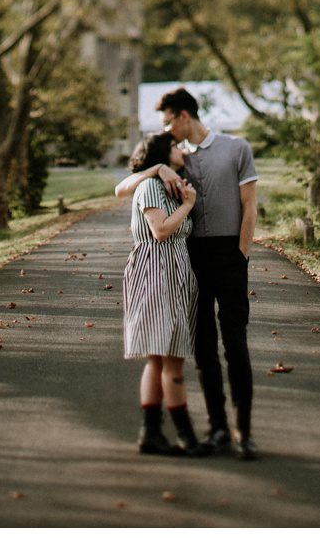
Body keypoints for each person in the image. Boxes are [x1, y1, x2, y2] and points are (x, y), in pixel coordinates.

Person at [114, 87, 260, 461]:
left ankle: (243, 431)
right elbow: (123, 188)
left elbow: (250, 206)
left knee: (236, 344)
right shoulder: (176, 160)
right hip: (192, 260)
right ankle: (217, 428)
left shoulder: (235, 148)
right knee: (203, 348)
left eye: (168, 122)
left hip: (230, 256)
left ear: (183, 116)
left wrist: (242, 255)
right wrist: (157, 167)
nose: (166, 130)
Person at [121, 131, 203, 456]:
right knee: (172, 359)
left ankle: (150, 433)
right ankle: (186, 436)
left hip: (174, 272)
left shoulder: (170, 186)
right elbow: (161, 230)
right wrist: (188, 205)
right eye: (174, 145)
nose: (181, 149)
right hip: (156, 273)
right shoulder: (151, 186)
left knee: (159, 357)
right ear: (161, 153)